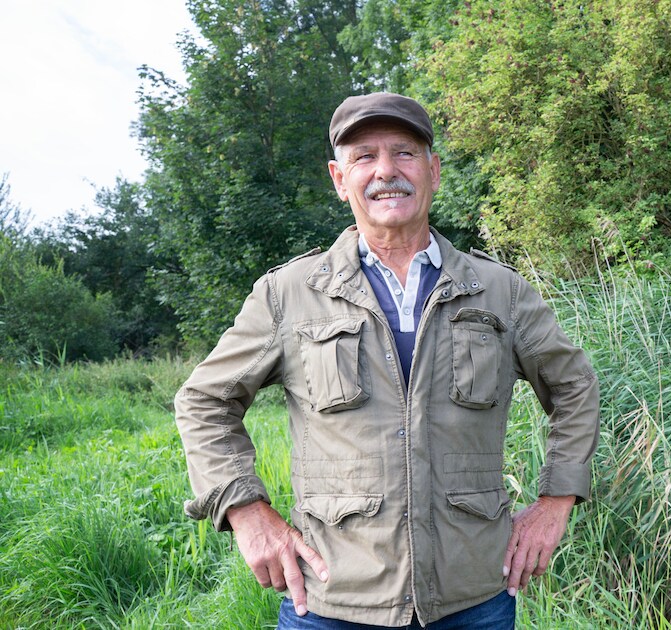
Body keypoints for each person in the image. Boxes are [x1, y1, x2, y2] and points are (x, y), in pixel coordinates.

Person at [174, 92, 600, 629]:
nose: (386, 172)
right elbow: (204, 400)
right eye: (364, 157)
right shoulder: (288, 293)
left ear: (433, 170)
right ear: (339, 178)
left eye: (404, 153)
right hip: (332, 598)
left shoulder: (500, 291)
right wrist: (245, 511)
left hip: (474, 599)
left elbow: (575, 388)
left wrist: (556, 501)